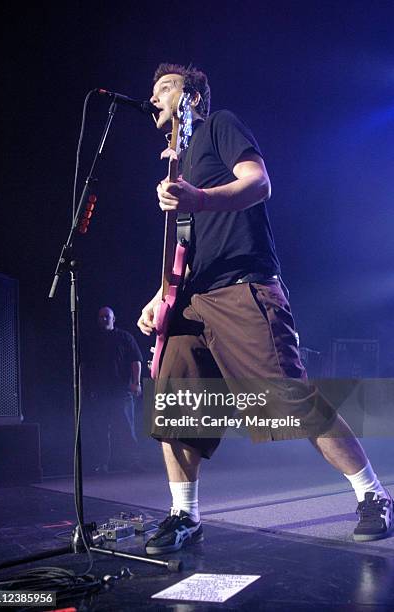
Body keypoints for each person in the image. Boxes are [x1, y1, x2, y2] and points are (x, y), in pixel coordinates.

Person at [137, 63, 393, 554]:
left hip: (242, 284)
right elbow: (186, 245)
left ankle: (373, 495)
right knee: (176, 405)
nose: (154, 99)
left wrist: (200, 196)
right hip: (192, 297)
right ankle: (185, 516)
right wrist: (161, 295)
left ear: (190, 97)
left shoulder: (219, 126)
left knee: (285, 401)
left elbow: (258, 183)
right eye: (152, 92)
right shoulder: (177, 162)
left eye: (164, 89)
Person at [82, 306, 143, 473]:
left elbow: (136, 361)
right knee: (100, 430)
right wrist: (86, 387)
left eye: (106, 317)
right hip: (100, 392)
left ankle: (133, 462)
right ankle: (102, 464)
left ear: (113, 319)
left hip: (122, 392)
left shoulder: (124, 337)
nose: (104, 319)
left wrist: (136, 383)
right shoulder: (92, 340)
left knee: (126, 428)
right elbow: (84, 366)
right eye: (101, 317)